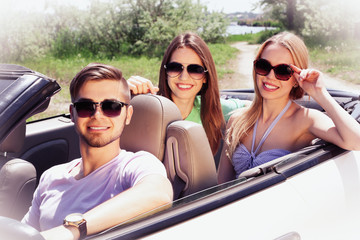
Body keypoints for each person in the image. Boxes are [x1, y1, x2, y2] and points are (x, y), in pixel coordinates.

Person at [22, 63, 173, 240]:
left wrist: (72, 229)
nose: (98, 115)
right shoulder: (51, 177)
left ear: (128, 115)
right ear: (72, 113)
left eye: (112, 106)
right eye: (86, 106)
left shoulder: (136, 165)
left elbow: (158, 194)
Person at [218, 31, 360, 183]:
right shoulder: (237, 120)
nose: (270, 76)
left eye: (283, 71)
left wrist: (319, 93)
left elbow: (355, 141)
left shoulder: (306, 119)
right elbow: (221, 184)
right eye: (263, 66)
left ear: (296, 79)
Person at [128, 32, 248, 156]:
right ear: (166, 72)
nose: (184, 77)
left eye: (195, 70)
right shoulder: (148, 107)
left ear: (205, 77)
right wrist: (123, 92)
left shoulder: (211, 108)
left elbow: (256, 107)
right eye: (175, 67)